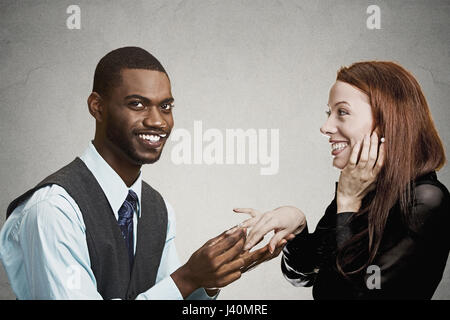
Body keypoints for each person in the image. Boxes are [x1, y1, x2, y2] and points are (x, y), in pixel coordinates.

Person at [0, 47, 280, 300]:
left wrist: (209, 280)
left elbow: (166, 294)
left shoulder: (157, 208)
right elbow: (173, 286)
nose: (158, 121)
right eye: (137, 104)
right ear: (97, 107)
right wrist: (186, 278)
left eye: (166, 106)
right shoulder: (54, 210)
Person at [235, 61, 450, 299]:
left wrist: (347, 204)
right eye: (329, 113)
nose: (325, 127)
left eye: (343, 112)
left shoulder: (425, 201)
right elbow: (303, 274)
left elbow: (338, 294)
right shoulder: (364, 187)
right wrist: (298, 226)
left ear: (388, 122)